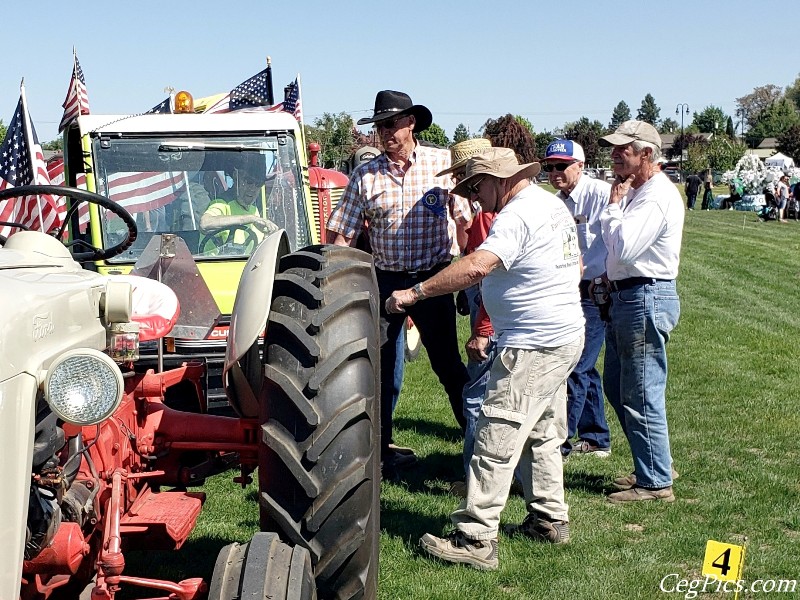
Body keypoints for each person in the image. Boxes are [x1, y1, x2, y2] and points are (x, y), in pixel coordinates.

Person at [386, 148, 584, 570]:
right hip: (563, 337)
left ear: (500, 179)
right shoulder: (550, 206)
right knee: (543, 432)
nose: (474, 197)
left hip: (532, 345)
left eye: (476, 186)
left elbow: (476, 267)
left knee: (495, 437)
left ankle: (475, 538)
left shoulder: (517, 215)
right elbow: (578, 265)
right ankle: (549, 519)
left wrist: (414, 293)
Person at [326, 90, 472, 475]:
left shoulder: (443, 164)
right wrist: (335, 280)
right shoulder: (365, 175)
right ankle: (377, 449)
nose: (385, 133)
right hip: (386, 280)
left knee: (448, 364)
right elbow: (341, 233)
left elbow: (467, 217)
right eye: (380, 126)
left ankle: (477, 441)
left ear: (411, 123)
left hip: (433, 278)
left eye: (392, 124)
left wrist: (464, 225)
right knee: (378, 367)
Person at [598, 120, 684, 503]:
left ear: (646, 154)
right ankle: (653, 462)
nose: (615, 154)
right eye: (613, 148)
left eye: (623, 149)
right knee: (617, 388)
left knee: (640, 391)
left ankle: (656, 482)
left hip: (644, 296)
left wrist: (613, 207)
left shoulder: (655, 196)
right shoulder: (640, 191)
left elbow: (626, 247)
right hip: (630, 296)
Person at [542, 139, 612, 459]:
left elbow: (619, 237)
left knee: (576, 366)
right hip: (571, 290)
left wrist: (610, 277)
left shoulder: (601, 194)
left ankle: (560, 441)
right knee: (585, 366)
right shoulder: (556, 202)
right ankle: (597, 436)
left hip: (599, 292)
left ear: (580, 166)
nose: (554, 172)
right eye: (549, 166)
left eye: (561, 165)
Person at [434, 137, 496, 485]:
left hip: (490, 312)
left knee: (478, 394)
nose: (459, 185)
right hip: (480, 299)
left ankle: (477, 477)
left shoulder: (487, 213)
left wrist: (482, 328)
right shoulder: (480, 209)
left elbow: (487, 272)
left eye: (463, 176)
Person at [199, 154, 278, 252]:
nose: (253, 188)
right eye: (249, 181)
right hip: (214, 265)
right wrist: (250, 219)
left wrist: (267, 237)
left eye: (258, 184)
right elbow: (205, 224)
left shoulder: (253, 210)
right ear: (236, 177)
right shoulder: (222, 204)